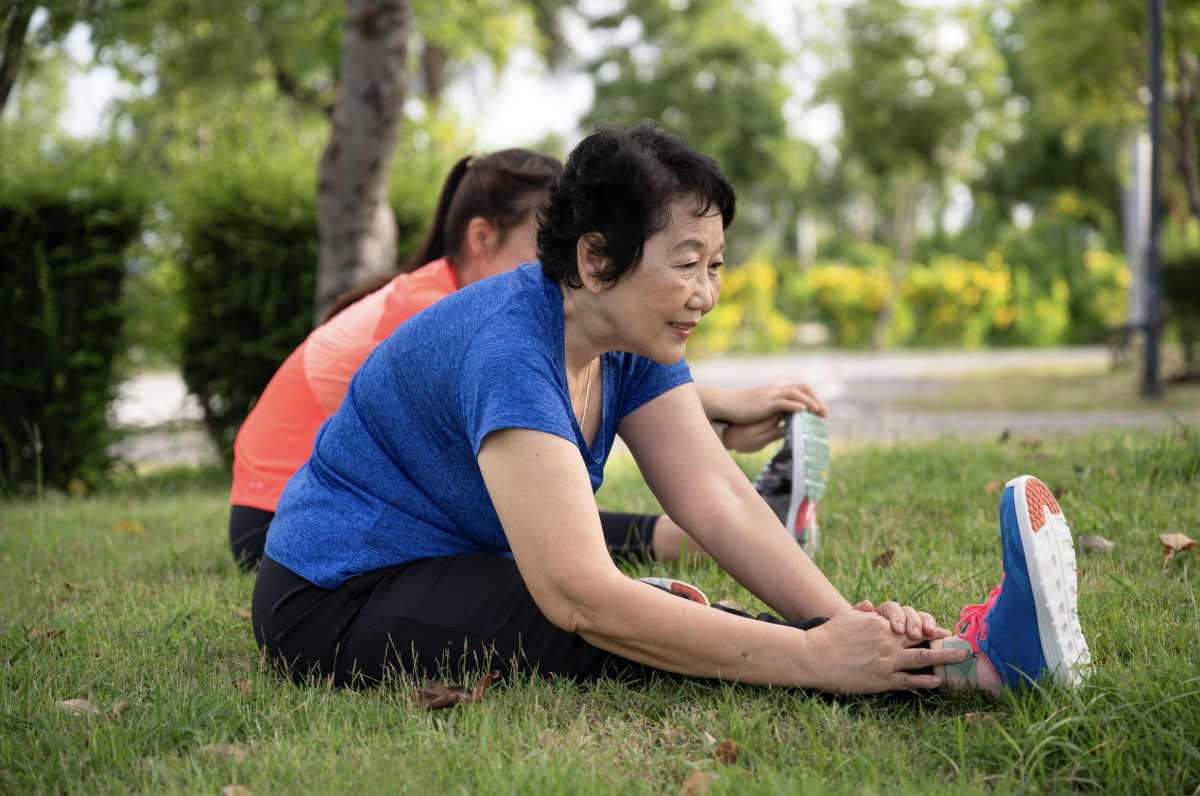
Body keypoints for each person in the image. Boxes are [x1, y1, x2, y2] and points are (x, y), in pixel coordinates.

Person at [251, 121, 1089, 695]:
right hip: (333, 597)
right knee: (602, 625)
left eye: (716, 264)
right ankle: (979, 670)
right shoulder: (511, 351)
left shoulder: (630, 339)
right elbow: (579, 595)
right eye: (687, 263)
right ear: (597, 256)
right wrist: (811, 658)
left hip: (446, 559)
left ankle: (939, 656)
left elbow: (718, 499)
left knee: (665, 617)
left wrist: (842, 621)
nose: (707, 294)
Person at [228, 148, 828, 571]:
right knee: (553, 538)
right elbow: (528, 382)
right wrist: (724, 408)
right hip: (276, 509)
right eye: (543, 236)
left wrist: (706, 425)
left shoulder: (533, 315)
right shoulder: (450, 314)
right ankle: (684, 545)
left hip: (414, 500)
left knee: (552, 526)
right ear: (483, 239)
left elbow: (583, 381)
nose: (552, 253)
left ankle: (717, 540)